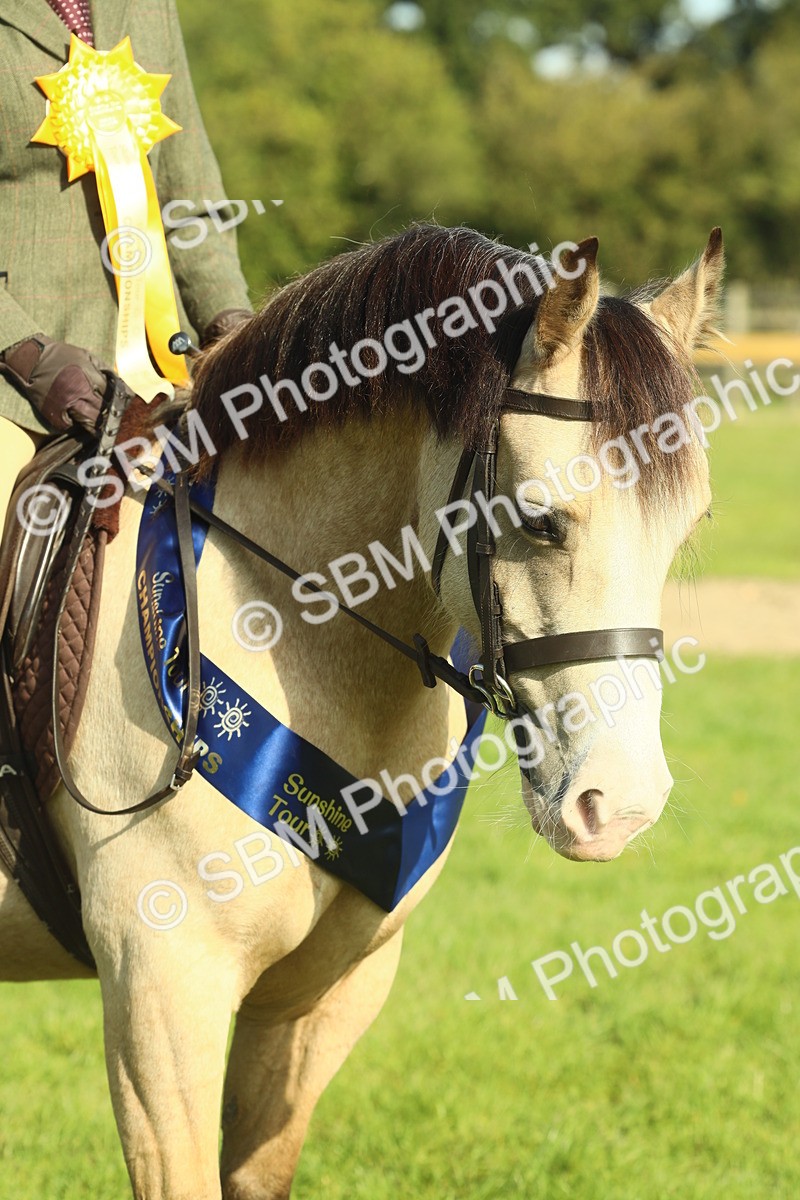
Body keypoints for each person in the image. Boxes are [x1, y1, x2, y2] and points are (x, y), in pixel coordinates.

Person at [0, 0, 252, 532]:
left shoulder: (150, 6)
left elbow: (190, 198)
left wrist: (236, 333)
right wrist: (22, 348)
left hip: (158, 378)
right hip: (12, 388)